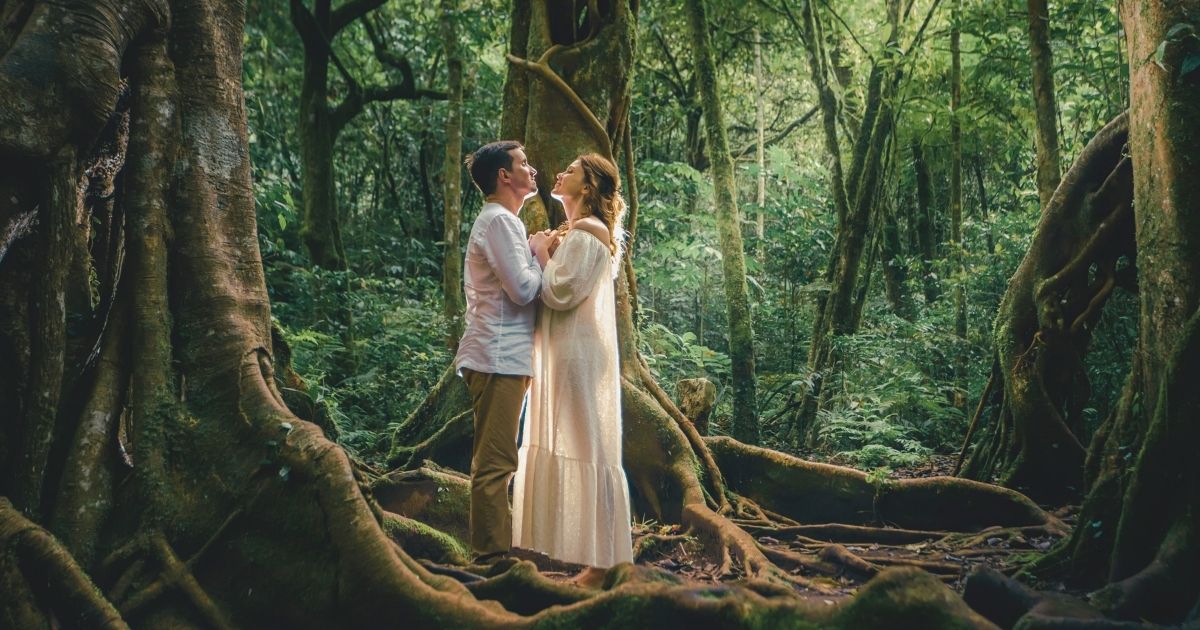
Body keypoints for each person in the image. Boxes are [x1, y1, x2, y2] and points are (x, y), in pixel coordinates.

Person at [512, 154, 634, 588]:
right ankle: (593, 559)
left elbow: (560, 291)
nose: (560, 174)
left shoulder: (588, 232)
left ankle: (604, 565)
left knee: (590, 449)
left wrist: (540, 251)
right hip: (565, 352)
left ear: (587, 188)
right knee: (580, 445)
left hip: (578, 355)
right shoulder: (578, 231)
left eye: (572, 171)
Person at [454, 141, 554, 565]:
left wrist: (530, 248)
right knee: (496, 461)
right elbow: (524, 289)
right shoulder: (498, 221)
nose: (532, 170)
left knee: (498, 457)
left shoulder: (503, 221)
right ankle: (490, 559)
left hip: (506, 357)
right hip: (497, 357)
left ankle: (492, 551)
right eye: (523, 163)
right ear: (504, 176)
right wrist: (539, 253)